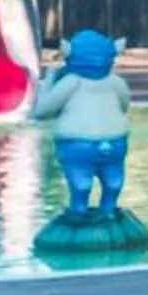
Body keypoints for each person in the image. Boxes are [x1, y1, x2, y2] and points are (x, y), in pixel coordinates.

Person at [34, 29, 133, 219]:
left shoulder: (71, 82)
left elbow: (42, 112)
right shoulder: (116, 82)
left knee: (81, 185)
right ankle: (109, 211)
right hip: (115, 141)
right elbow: (124, 106)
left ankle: (78, 212)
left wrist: (48, 82)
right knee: (113, 181)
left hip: (77, 142)